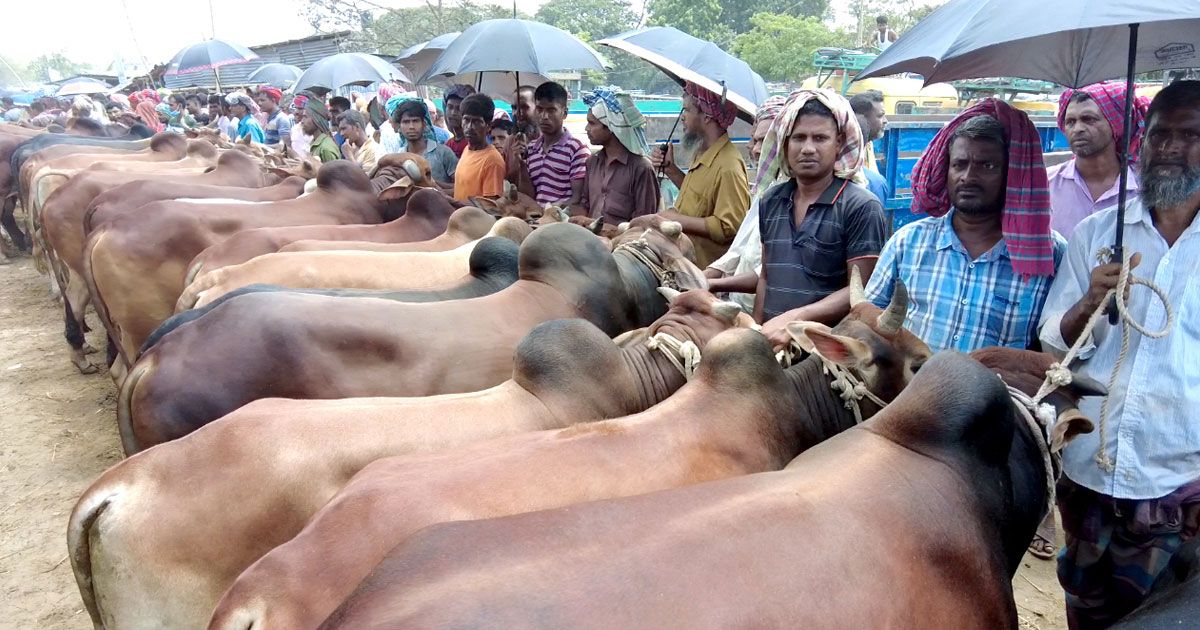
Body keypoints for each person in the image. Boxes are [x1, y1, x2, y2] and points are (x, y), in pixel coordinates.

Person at [1038, 79, 1200, 630]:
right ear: (1141, 142)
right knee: (1085, 608)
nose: (1172, 148)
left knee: (1161, 618)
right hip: (1090, 470)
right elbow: (1055, 343)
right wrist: (1090, 300)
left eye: (1191, 134)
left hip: (1179, 483)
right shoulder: (1097, 234)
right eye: (1159, 135)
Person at [865, 99, 1066, 351]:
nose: (968, 177)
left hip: (999, 390)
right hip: (911, 390)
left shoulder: (1050, 255)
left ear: (1012, 174)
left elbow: (1053, 348)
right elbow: (869, 322)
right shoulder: (908, 242)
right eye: (959, 165)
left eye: (987, 166)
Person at [752, 90, 886, 344]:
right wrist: (757, 333)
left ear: (838, 144)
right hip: (771, 342)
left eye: (820, 138)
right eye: (799, 138)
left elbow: (861, 291)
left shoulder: (860, 206)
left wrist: (795, 320)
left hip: (826, 354)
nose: (808, 148)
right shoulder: (771, 201)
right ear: (785, 143)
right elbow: (766, 276)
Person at [650, 81, 751, 267]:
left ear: (707, 116)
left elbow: (728, 226)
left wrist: (676, 220)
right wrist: (671, 169)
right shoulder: (702, 152)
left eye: (687, 110)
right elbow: (700, 200)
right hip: (684, 262)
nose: (682, 117)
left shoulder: (729, 166)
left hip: (704, 274)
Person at [705, 95, 787, 312]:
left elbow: (768, 272)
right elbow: (739, 248)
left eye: (765, 140)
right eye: (755, 140)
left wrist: (711, 284)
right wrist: (707, 274)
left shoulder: (796, 198)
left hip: (768, 314)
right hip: (738, 304)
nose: (756, 148)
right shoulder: (767, 191)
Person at [1049, 82, 1149, 238]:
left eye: (1089, 119)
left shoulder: (1145, 188)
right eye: (1070, 122)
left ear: (1116, 125)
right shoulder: (1045, 184)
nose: (1078, 129)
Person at [573, 88, 659, 227]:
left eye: (592, 123)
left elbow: (644, 222)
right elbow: (585, 205)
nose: (587, 128)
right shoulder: (592, 162)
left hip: (624, 245)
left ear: (612, 126)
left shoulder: (642, 168)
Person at [511, 82, 590, 207]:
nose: (544, 116)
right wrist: (521, 164)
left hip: (562, 221)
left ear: (564, 113)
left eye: (551, 110)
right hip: (536, 219)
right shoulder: (531, 148)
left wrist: (549, 210)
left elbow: (577, 199)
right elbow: (529, 196)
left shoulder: (577, 149)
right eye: (540, 109)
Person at [390, 99, 458, 188]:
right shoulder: (399, 158)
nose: (411, 127)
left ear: (424, 124)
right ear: (399, 126)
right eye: (406, 122)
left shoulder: (443, 152)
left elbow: (460, 187)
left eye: (415, 121)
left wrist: (429, 183)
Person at [452, 93, 507, 201]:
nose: (470, 127)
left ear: (488, 126)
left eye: (477, 121)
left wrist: (450, 201)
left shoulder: (492, 161)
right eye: (466, 120)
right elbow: (460, 190)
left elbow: (489, 208)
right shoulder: (467, 149)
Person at [849, 89, 890, 203]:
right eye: (880, 116)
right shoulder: (874, 183)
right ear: (862, 119)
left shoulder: (867, 147)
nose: (885, 121)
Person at [293, 91, 341, 163]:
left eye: (305, 117)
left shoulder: (326, 148)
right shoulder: (316, 143)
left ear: (316, 120)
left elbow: (333, 174)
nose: (302, 121)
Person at [443, 85, 475, 158]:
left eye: (459, 108)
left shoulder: (474, 144)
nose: (453, 113)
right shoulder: (448, 144)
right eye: (450, 107)